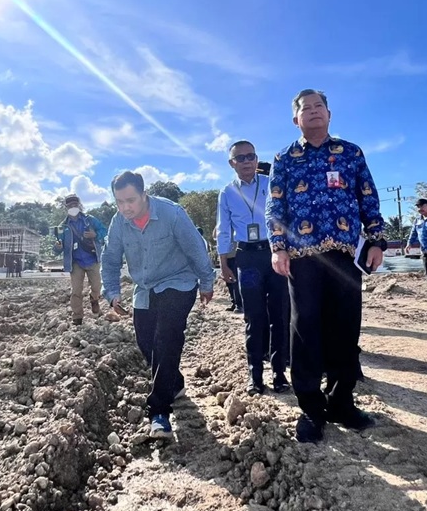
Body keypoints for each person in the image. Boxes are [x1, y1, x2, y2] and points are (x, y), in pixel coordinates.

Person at [266, 89, 386, 443]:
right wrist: (278, 247)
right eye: (306, 108)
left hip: (344, 256)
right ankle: (311, 408)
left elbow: (368, 197)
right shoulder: (284, 159)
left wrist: (377, 239)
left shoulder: (350, 153)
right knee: (305, 329)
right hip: (302, 258)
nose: (314, 112)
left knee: (345, 329)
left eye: (319, 107)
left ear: (329, 114)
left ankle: (341, 403)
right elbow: (276, 208)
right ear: (296, 119)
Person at [101, 171, 216, 439]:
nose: (126, 207)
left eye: (131, 200)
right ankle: (174, 382)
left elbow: (196, 248)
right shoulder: (119, 223)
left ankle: (159, 412)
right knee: (146, 342)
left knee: (167, 337)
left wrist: (207, 282)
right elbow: (110, 259)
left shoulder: (171, 213)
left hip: (179, 280)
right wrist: (113, 293)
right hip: (145, 287)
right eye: (120, 202)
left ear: (144, 194)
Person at [216, 140, 291, 396]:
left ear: (257, 159)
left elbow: (285, 217)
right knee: (253, 317)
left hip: (273, 255)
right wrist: (224, 262)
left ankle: (280, 374)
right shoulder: (227, 193)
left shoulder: (271, 185)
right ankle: (255, 376)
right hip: (246, 260)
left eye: (251, 156)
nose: (247, 162)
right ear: (232, 163)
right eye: (241, 158)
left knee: (279, 315)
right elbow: (224, 229)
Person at [52, 194, 107, 325]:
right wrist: (57, 247)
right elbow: (56, 249)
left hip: (92, 258)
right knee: (76, 290)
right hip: (76, 262)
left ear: (79, 205)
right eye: (70, 206)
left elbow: (104, 231)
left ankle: (94, 299)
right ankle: (77, 317)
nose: (73, 207)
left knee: (97, 286)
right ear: (66, 207)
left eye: (75, 205)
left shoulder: (90, 220)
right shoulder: (63, 226)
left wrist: (96, 235)